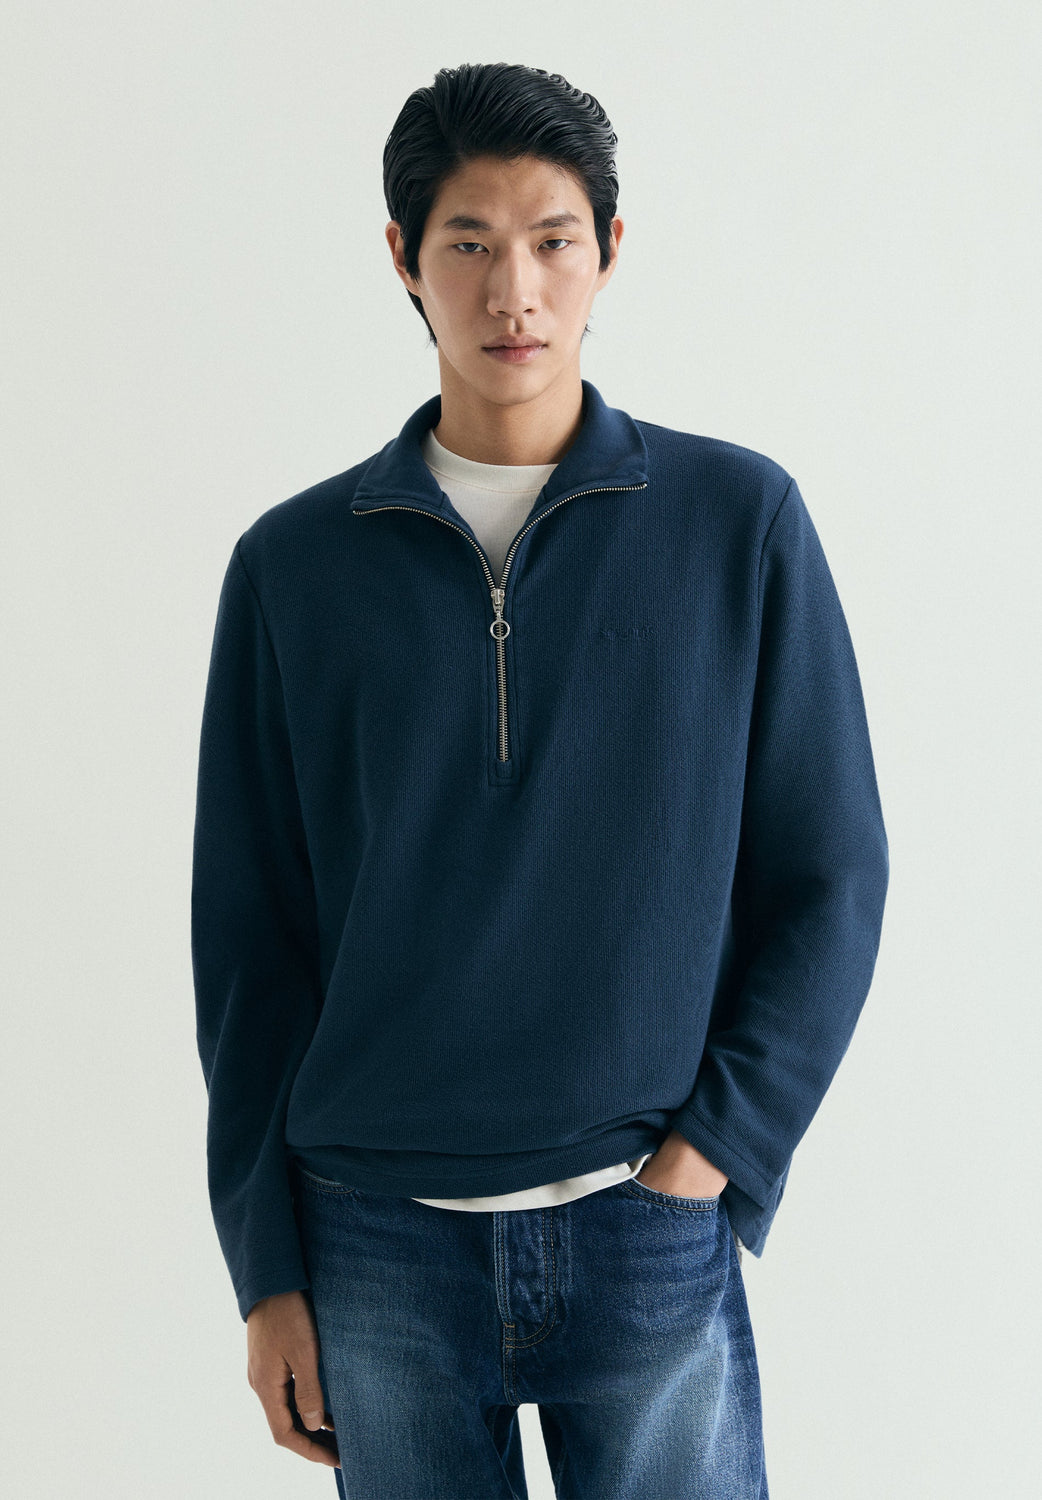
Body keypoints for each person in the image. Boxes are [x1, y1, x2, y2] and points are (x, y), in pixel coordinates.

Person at [191, 61, 889, 1499]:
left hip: (646, 1222)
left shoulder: (736, 523)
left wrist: (717, 1152)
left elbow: (830, 875)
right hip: (373, 1238)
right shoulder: (293, 568)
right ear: (404, 259)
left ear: (607, 251)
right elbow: (249, 943)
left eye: (551, 240)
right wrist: (266, 1269)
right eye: (469, 243)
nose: (513, 290)